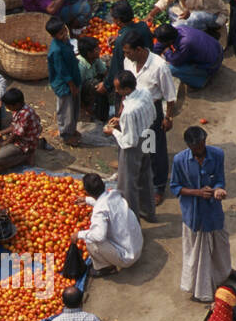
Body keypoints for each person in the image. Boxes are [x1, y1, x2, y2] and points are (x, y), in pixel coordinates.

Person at [170, 126, 236, 302]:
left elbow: (220, 179)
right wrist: (197, 193)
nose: (200, 149)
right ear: (189, 146)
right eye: (196, 147)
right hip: (193, 215)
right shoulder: (180, 160)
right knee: (196, 253)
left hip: (213, 212)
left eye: (203, 144)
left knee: (221, 246)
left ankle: (224, 274)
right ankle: (200, 288)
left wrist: (219, 190)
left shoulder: (217, 155)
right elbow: (175, 187)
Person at [123, 38, 177, 208]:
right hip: (132, 110)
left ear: (139, 49)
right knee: (136, 147)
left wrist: (168, 117)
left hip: (150, 113)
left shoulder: (159, 66)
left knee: (153, 150)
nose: (125, 55)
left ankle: (158, 186)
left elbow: (170, 96)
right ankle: (142, 179)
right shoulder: (128, 62)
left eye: (128, 51)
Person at [105, 71, 157, 222]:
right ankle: (148, 212)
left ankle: (132, 221)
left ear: (127, 89)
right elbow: (153, 115)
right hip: (148, 135)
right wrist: (121, 121)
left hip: (134, 144)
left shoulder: (128, 111)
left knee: (128, 184)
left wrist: (113, 131)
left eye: (118, 89)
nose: (116, 91)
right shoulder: (146, 93)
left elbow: (128, 142)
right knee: (146, 175)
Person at [76, 173, 141, 277]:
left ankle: (107, 268)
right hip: (136, 245)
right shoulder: (115, 195)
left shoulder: (99, 211)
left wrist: (78, 235)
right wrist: (87, 200)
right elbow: (105, 205)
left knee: (90, 240)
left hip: (127, 257)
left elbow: (98, 236)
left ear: (87, 192)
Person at [153, 24, 222, 90]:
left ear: (169, 41)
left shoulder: (186, 43)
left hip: (213, 64)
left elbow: (175, 61)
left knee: (170, 69)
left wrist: (167, 52)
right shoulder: (179, 28)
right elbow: (161, 44)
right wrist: (153, 53)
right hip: (217, 50)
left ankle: (201, 81)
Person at [46, 18, 81, 147]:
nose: (65, 34)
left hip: (74, 78)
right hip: (65, 84)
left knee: (74, 106)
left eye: (64, 31)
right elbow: (61, 70)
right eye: (60, 33)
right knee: (66, 108)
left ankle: (71, 129)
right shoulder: (56, 50)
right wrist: (71, 84)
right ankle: (66, 134)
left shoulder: (65, 41)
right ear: (53, 36)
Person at [0, 87, 41, 172]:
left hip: (25, 143)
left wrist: (6, 143)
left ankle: (25, 157)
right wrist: (0, 133)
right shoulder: (18, 109)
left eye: (8, 106)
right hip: (20, 138)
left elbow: (16, 134)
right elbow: (13, 126)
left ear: (16, 104)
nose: (7, 108)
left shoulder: (25, 114)